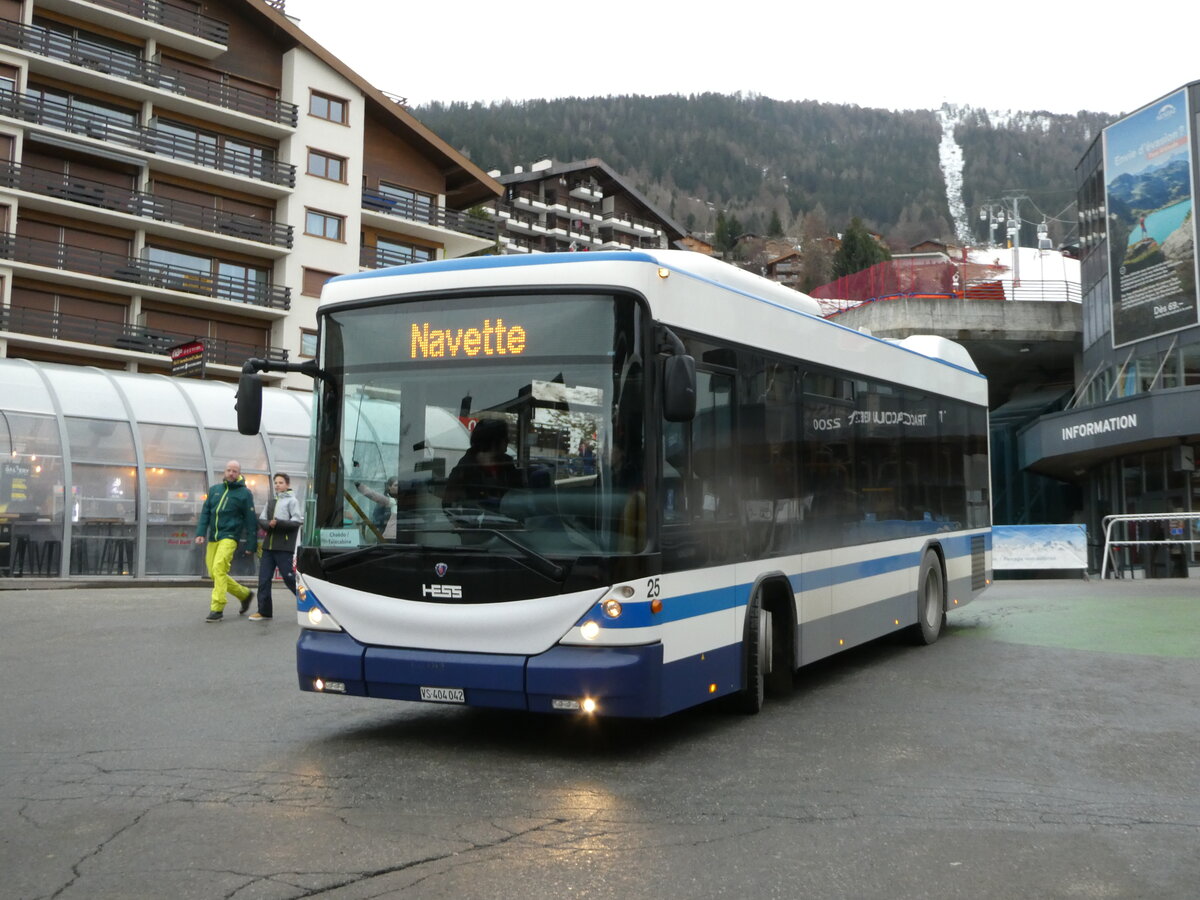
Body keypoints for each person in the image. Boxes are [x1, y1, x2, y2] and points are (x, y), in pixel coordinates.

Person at [194, 460, 257, 623]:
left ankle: (217, 608)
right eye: (229, 470)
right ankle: (244, 594)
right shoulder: (215, 490)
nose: (231, 473)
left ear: (239, 474)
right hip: (214, 537)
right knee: (213, 573)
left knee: (219, 568)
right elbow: (206, 512)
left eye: (235, 471)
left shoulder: (244, 493)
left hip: (230, 536)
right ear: (224, 471)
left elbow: (251, 520)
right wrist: (201, 532)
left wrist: (251, 544)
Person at [251, 472, 302, 621]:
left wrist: (278, 523)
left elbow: (296, 522)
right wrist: (269, 524)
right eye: (276, 483)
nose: (277, 485)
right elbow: (262, 520)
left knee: (288, 577)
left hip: (284, 547)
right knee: (264, 579)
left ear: (287, 484)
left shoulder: (292, 501)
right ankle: (264, 611)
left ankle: (310, 602)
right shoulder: (271, 502)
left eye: (281, 482)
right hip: (268, 547)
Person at [442, 418, 523, 510]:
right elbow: (449, 504)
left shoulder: (507, 464)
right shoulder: (465, 467)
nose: (508, 441)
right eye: (505, 438)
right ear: (493, 441)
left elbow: (518, 495)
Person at [354, 475, 400, 539]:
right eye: (396, 485)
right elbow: (374, 496)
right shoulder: (389, 501)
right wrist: (388, 516)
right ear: (389, 487)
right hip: (387, 535)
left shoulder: (406, 499)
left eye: (399, 485)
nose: (398, 487)